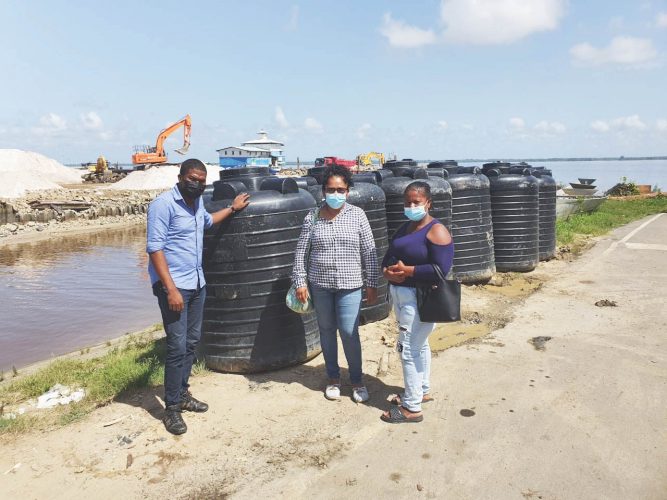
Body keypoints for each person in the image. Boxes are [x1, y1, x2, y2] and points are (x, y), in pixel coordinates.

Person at [146, 158, 249, 435]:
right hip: (174, 288)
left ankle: (182, 394)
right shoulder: (163, 205)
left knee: (191, 343)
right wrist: (171, 290)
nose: (198, 184)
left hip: (196, 283)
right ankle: (171, 410)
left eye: (202, 181)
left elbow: (207, 223)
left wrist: (232, 208)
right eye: (193, 179)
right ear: (180, 177)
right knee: (176, 347)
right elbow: (155, 249)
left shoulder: (197, 203)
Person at [292, 165, 379, 403]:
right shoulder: (312, 217)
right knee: (327, 332)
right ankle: (332, 378)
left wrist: (372, 283)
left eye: (340, 189)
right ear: (323, 191)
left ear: (348, 191)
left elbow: (369, 252)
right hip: (320, 285)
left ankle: (357, 380)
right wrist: (300, 281)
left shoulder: (357, 215)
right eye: (331, 189)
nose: (336, 194)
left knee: (350, 332)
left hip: (350, 285)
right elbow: (301, 252)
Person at [380, 181, 454, 423]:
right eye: (407, 202)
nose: (411, 206)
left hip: (421, 298)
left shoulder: (436, 231)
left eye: (416, 202)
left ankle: (411, 408)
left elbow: (440, 270)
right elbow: (391, 254)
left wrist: (408, 270)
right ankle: (421, 391)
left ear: (428, 203)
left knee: (408, 349)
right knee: (419, 346)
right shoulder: (405, 228)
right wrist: (387, 272)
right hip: (401, 296)